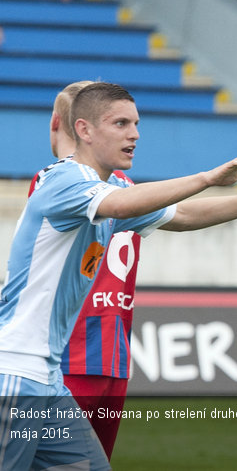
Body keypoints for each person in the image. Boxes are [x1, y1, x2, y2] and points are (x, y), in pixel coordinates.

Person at [0, 82, 237, 469]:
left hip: (47, 381)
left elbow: (180, 216)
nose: (134, 134)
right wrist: (206, 178)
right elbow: (120, 203)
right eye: (120, 123)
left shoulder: (109, 187)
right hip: (14, 372)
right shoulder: (64, 182)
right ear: (83, 130)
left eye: (136, 123)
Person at [24, 81, 133, 459]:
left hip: (84, 351)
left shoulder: (53, 181)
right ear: (85, 127)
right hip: (99, 348)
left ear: (57, 122)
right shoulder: (118, 186)